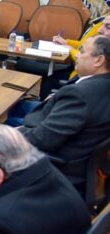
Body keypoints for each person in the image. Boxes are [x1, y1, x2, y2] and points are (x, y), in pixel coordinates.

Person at [7, 35, 110, 194]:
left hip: (56, 168)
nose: (77, 55)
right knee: (18, 108)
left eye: (82, 51)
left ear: (98, 60)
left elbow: (43, 139)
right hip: (80, 163)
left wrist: (8, 135)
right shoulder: (100, 85)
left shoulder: (80, 94)